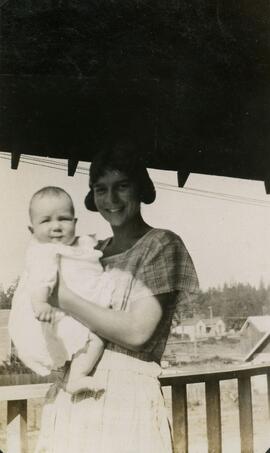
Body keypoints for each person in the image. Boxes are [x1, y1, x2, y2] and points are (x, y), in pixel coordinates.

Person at [34, 142, 199, 453]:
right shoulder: (90, 252)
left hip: (126, 400)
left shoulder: (161, 245)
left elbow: (138, 333)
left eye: (122, 186)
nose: (111, 199)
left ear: (140, 189)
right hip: (71, 398)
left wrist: (64, 297)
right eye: (101, 189)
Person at [9, 186, 114, 395]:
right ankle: (75, 377)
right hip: (52, 314)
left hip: (73, 310)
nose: (56, 226)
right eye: (46, 220)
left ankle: (72, 376)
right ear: (32, 230)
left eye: (64, 219)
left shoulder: (77, 245)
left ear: (75, 223)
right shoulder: (42, 251)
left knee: (91, 340)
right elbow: (40, 279)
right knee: (93, 338)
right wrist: (41, 303)